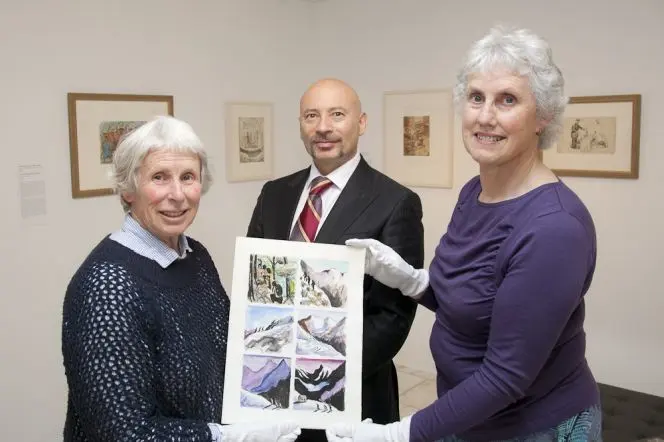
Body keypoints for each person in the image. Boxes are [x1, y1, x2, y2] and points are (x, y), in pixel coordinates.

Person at [328, 26, 602, 442]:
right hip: (472, 417)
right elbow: (468, 305)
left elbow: (506, 377)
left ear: (542, 116)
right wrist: (410, 280)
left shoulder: (555, 229)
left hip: (532, 427)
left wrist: (399, 434)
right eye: (476, 97)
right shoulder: (475, 192)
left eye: (507, 99)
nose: (486, 116)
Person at [61, 116, 301, 442]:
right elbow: (122, 434)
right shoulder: (106, 285)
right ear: (128, 189)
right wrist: (228, 436)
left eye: (188, 177)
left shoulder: (196, 257)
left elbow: (224, 360)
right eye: (159, 177)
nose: (177, 194)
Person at [246, 78, 425, 441]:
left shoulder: (395, 202)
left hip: (351, 390)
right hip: (269, 383)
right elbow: (254, 287)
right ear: (300, 125)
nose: (323, 127)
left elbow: (393, 316)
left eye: (337, 114)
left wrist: (321, 370)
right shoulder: (274, 194)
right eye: (311, 115)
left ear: (361, 123)